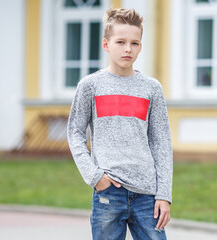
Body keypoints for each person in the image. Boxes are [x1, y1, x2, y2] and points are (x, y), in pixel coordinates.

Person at [67, 8, 173, 240]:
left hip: (147, 195)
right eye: (121, 42)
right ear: (106, 44)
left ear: (140, 47)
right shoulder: (90, 86)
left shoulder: (151, 88)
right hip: (108, 193)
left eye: (134, 43)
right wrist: (95, 177)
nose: (128, 49)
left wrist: (164, 194)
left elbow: (161, 143)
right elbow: (74, 133)